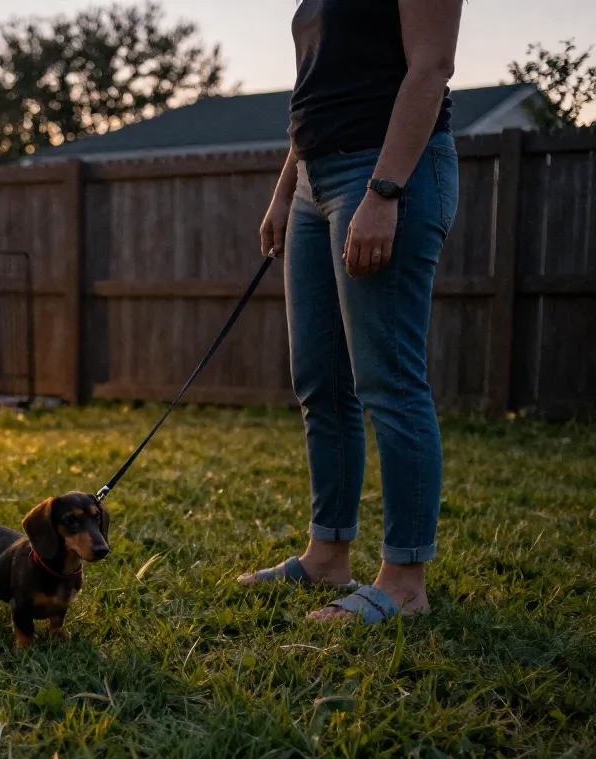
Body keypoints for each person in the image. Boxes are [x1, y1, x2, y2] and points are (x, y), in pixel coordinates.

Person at [238, 0, 463, 623]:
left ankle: (405, 582)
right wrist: (285, 191)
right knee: (321, 382)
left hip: (384, 172)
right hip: (313, 183)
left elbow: (431, 67)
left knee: (390, 381)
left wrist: (386, 191)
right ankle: (327, 556)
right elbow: (318, 93)